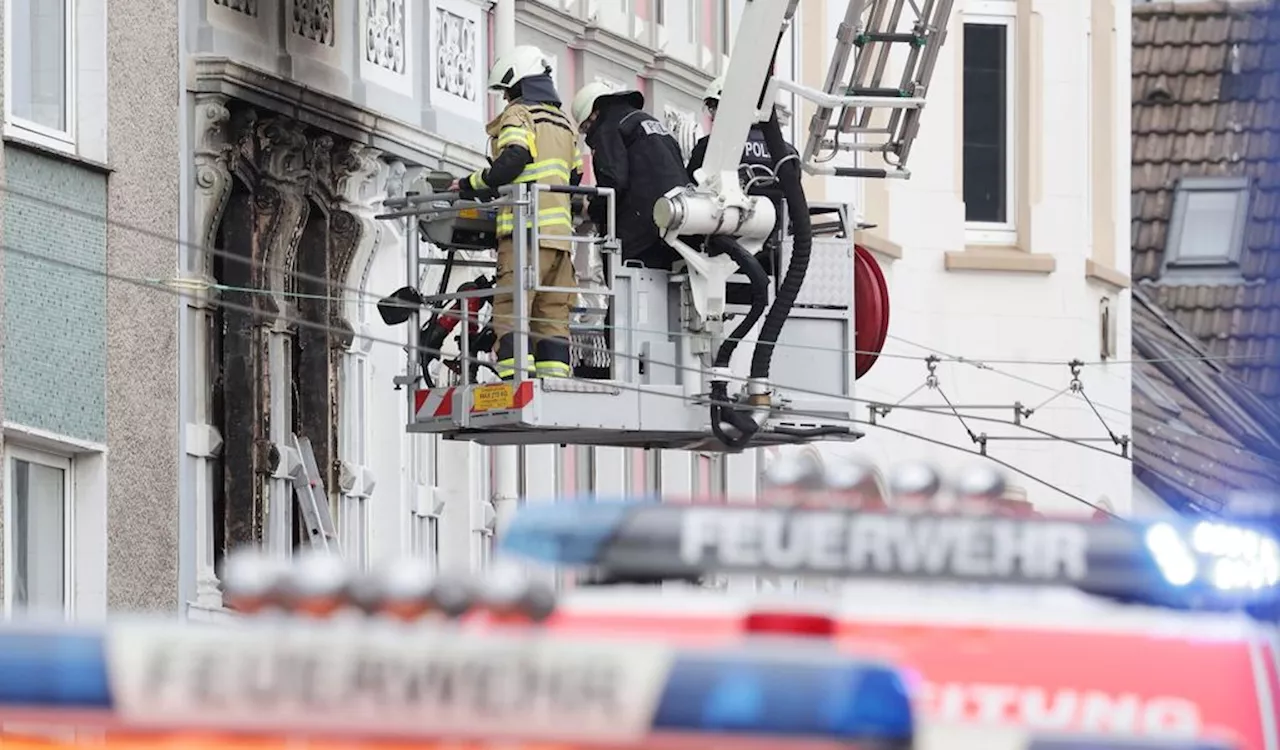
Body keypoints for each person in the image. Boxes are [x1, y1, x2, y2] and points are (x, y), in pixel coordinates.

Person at [452, 46, 580, 381]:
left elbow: (514, 158)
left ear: (517, 84)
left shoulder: (519, 115)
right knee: (552, 314)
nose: (506, 98)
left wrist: (469, 184)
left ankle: (514, 382)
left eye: (507, 91)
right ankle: (554, 384)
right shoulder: (565, 123)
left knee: (511, 310)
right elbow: (576, 176)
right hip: (561, 241)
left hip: (525, 233)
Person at [570, 81, 691, 271]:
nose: (588, 135)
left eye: (586, 128)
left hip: (639, 233)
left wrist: (592, 208)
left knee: (629, 293)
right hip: (676, 223)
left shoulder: (608, 128)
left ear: (594, 114)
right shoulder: (649, 122)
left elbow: (613, 181)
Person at [685, 75, 799, 273]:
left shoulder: (710, 148)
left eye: (715, 108)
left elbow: (691, 194)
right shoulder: (787, 153)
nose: (712, 116)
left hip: (724, 253)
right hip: (776, 252)